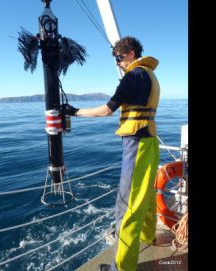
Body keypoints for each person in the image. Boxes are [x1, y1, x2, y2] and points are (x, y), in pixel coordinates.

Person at [63, 36, 160, 271]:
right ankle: (149, 237)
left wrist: (74, 112)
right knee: (146, 197)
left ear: (130, 53)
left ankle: (121, 268)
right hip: (150, 143)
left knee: (126, 207)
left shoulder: (133, 76)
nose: (118, 63)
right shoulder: (149, 75)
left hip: (136, 145)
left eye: (119, 58)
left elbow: (106, 110)